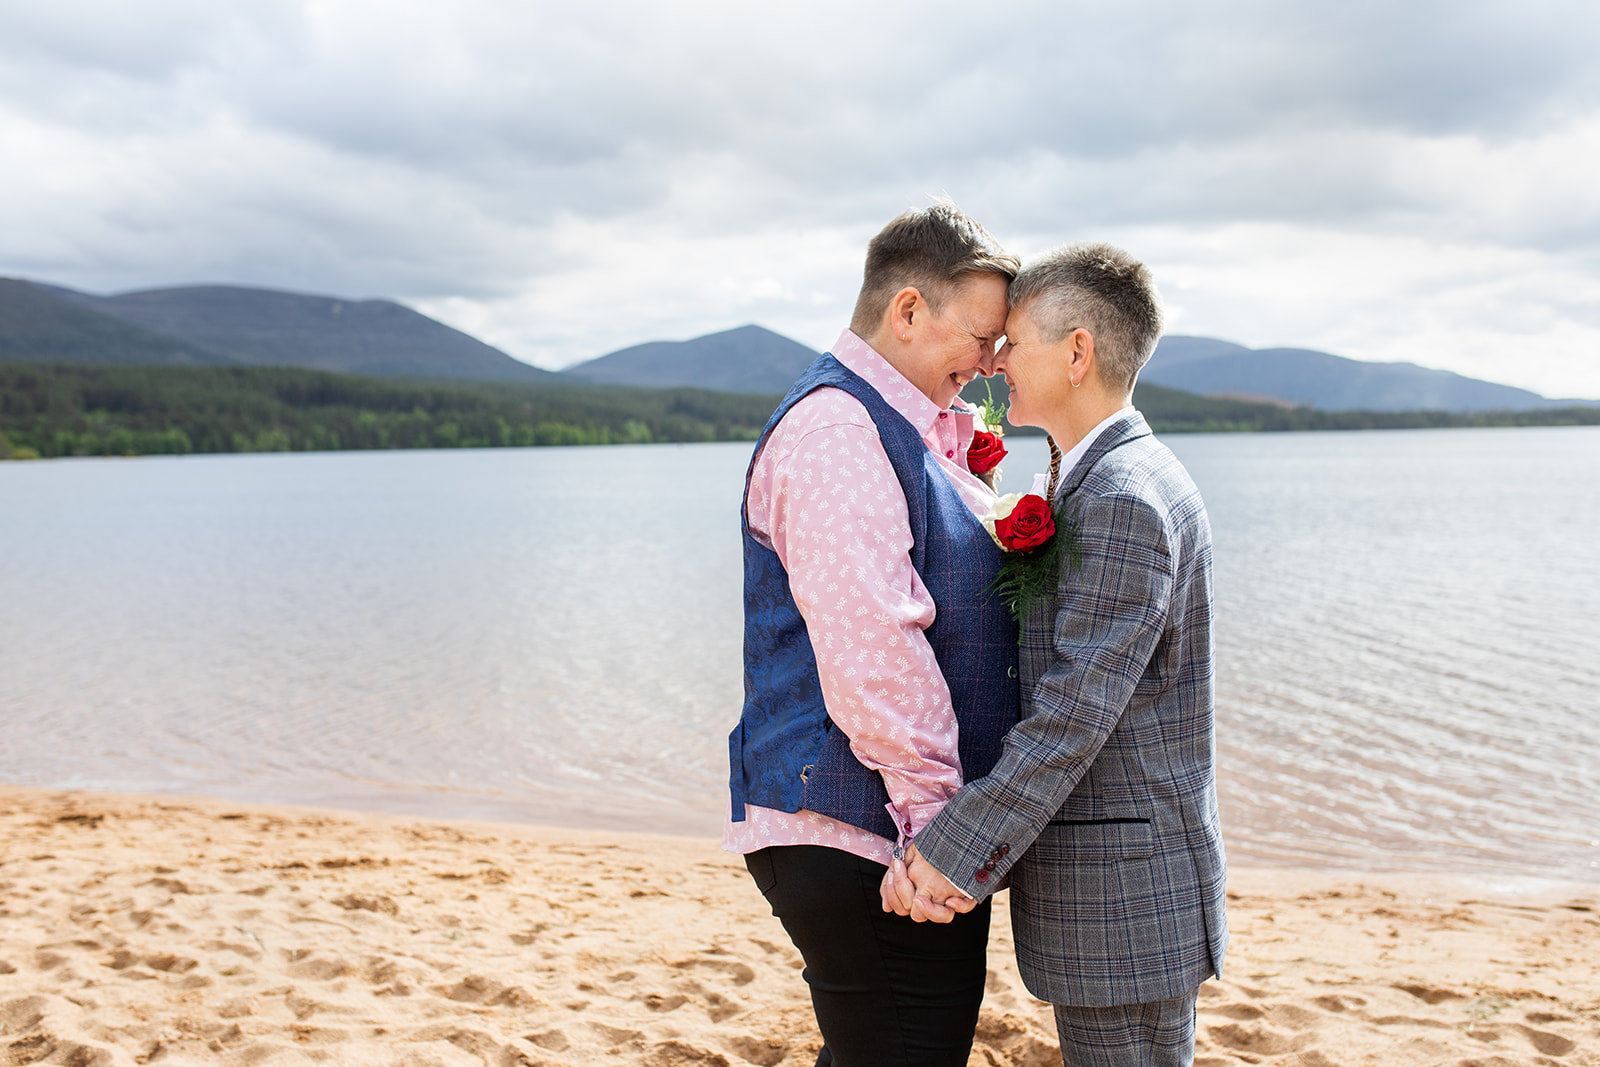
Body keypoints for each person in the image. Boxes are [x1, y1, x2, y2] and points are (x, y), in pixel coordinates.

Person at [885, 242, 1229, 1067]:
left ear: (1078, 352)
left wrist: (951, 851)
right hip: (1124, 888)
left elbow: (1073, 714)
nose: (997, 363)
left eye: (1016, 342)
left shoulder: (1119, 498)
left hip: (1126, 895)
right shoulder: (1102, 475)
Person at [724, 202, 1021, 1067]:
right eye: (981, 336)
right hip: (869, 833)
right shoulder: (836, 431)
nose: (992, 364)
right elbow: (875, 649)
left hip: (879, 828)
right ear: (907, 312)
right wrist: (936, 830)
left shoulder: (905, 425)